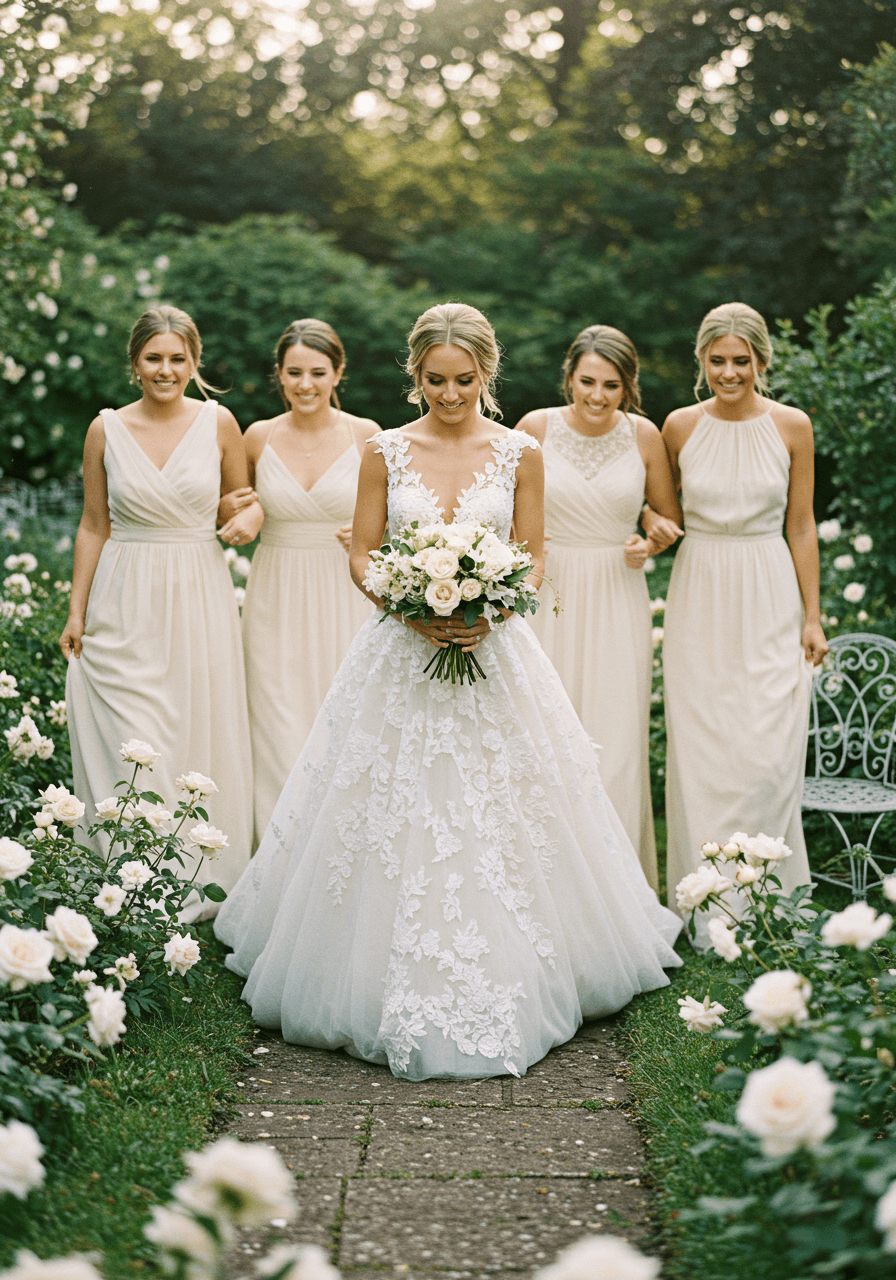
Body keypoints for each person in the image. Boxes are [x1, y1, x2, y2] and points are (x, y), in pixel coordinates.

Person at [214, 302, 682, 1081]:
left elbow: (533, 558)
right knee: (393, 801)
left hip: (496, 650)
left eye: (465, 380)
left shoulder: (521, 453)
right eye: (435, 380)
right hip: (401, 649)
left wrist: (490, 605)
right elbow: (363, 553)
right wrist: (409, 604)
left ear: (486, 375)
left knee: (506, 806)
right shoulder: (383, 451)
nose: (451, 393)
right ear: (415, 375)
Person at [61, 304, 260, 918]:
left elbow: (242, 503)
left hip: (197, 590)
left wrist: (247, 519)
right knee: (130, 729)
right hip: (124, 593)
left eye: (178, 359)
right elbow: (94, 524)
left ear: (194, 362)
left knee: (189, 725)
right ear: (135, 363)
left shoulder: (219, 422)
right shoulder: (105, 429)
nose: (166, 370)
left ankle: (191, 872)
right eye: (155, 358)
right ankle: (127, 868)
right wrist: (76, 612)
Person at [659, 301, 826, 928]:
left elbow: (802, 524)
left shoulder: (792, 426)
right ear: (702, 360)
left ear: (761, 361)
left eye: (742, 361)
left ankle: (765, 894)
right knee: (703, 743)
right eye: (718, 360)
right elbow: (662, 512)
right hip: (699, 587)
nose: (730, 372)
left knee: (765, 744)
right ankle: (708, 900)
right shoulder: (678, 426)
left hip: (768, 586)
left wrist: (813, 615)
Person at [516, 326, 682, 889]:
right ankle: (543, 879)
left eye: (611, 385)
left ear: (628, 386)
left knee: (614, 735)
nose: (597, 395)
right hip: (547, 592)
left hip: (617, 591)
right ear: (568, 378)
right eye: (587, 381)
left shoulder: (644, 434)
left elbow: (664, 516)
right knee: (541, 730)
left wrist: (653, 536)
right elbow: (499, 511)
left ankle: (615, 886)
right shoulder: (533, 430)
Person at [217, 319, 379, 848]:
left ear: (338, 373)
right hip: (276, 594)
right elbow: (233, 502)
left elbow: (400, 516)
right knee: (278, 721)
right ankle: (280, 857)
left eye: (317, 372)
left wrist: (369, 530)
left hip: (344, 595)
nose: (305, 384)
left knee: (345, 722)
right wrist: (252, 511)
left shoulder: (367, 435)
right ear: (279, 376)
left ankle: (343, 851)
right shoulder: (257, 435)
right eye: (293, 373)